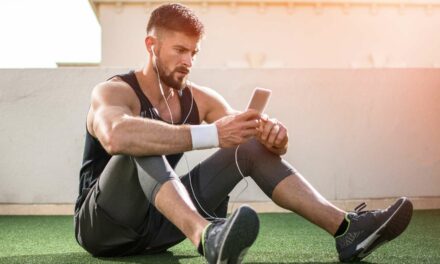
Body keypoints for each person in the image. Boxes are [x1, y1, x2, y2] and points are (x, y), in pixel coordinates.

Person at [74, 3, 413, 263]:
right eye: (179, 50)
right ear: (152, 44)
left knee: (247, 147)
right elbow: (116, 135)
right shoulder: (114, 91)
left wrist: (272, 137)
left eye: (194, 53)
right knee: (140, 139)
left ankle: (346, 229)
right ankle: (208, 238)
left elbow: (242, 135)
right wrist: (212, 134)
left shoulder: (200, 98)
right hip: (102, 228)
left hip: (158, 227)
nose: (188, 61)